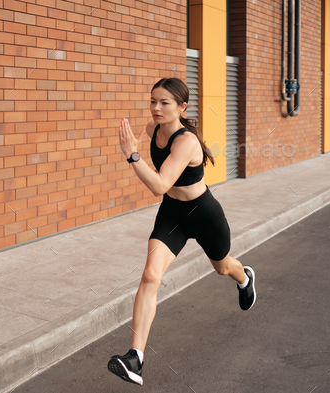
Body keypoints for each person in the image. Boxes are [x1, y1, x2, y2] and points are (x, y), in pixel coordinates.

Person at [107, 78, 256, 386]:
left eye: (164, 102)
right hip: (172, 214)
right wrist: (135, 149)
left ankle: (245, 278)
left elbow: (160, 183)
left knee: (222, 267)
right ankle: (135, 357)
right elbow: (163, 187)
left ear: (182, 106)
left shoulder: (186, 141)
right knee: (150, 275)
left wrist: (132, 156)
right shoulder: (153, 129)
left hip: (203, 214)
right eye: (153, 101)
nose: (156, 108)